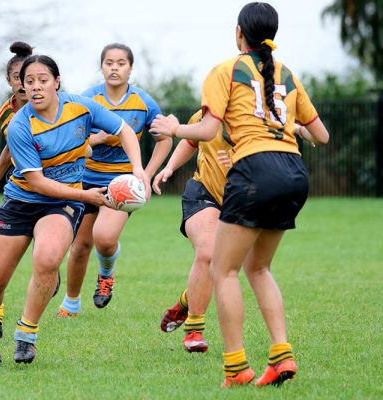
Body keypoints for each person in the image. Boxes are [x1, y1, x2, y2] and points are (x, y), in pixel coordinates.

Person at [150, 2, 329, 388]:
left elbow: (207, 127)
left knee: (224, 269)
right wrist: (292, 129)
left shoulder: (226, 70)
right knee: (259, 268)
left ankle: (236, 367)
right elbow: (322, 135)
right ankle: (282, 357)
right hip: (295, 174)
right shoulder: (288, 74)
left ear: (238, 33)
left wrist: (174, 127)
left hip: (254, 173)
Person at [0, 54, 150, 365]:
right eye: (29, 82)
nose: (36, 87)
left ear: (57, 82)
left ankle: (26, 335)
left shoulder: (81, 107)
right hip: (21, 202)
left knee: (48, 258)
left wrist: (138, 169)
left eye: (43, 80)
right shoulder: (20, 125)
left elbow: (124, 129)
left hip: (61, 204)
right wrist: (88, 197)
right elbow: (38, 183)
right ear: (23, 87)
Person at [56, 43, 171, 317]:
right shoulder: (87, 99)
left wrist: (146, 173)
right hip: (84, 180)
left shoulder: (143, 102)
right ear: (102, 67)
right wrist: (98, 138)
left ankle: (106, 276)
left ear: (130, 68)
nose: (114, 68)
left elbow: (165, 138)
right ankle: (71, 303)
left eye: (121, 63)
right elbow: (74, 142)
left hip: (122, 182)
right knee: (81, 245)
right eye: (109, 63)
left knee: (104, 238)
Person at [153, 110, 231, 353]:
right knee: (207, 253)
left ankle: (186, 301)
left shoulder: (261, 115)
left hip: (241, 201)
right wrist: (170, 167)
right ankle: (194, 331)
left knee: (225, 269)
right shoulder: (210, 112)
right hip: (203, 192)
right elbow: (190, 140)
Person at [0, 41, 33, 338]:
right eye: (18, 77)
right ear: (11, 81)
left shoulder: (59, 107)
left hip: (59, 193)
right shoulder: (6, 114)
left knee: (48, 265)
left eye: (30, 76)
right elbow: (11, 149)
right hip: (22, 191)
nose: (24, 83)